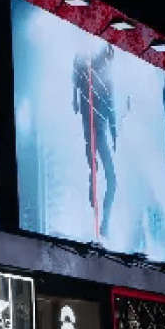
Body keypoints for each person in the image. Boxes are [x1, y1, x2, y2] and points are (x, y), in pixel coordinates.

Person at [72, 43, 118, 239]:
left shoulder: (101, 79)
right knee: (99, 176)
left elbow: (110, 109)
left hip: (98, 133)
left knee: (109, 180)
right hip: (92, 133)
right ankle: (99, 226)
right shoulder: (86, 72)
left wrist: (114, 132)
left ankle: (102, 225)